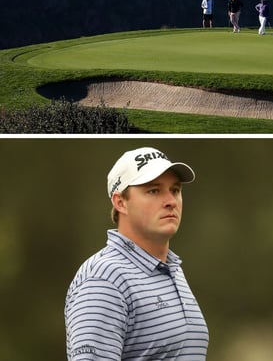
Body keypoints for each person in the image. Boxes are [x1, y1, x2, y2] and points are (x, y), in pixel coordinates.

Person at [65, 147, 209, 359]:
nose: (170, 201)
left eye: (175, 190)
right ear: (120, 202)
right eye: (154, 191)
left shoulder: (172, 269)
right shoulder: (103, 279)